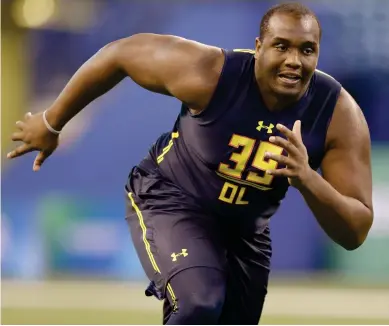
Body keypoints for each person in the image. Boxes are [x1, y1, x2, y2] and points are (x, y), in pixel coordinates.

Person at [8, 2, 373, 325]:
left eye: (307, 50)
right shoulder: (210, 72)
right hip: (171, 199)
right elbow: (120, 53)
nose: (294, 60)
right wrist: (52, 121)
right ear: (258, 47)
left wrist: (308, 179)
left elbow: (354, 231)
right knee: (197, 304)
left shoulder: (338, 114)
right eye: (281, 46)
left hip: (245, 230)